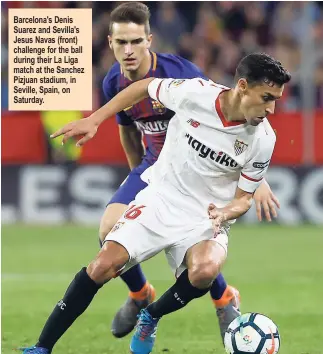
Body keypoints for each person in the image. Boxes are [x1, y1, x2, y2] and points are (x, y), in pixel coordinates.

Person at [20, 52, 290, 354]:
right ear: (242, 86)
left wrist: (226, 212)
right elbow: (144, 87)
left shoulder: (264, 139)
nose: (271, 108)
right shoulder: (195, 93)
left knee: (205, 271)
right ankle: (42, 348)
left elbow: (243, 200)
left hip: (206, 217)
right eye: (267, 97)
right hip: (161, 197)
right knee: (102, 266)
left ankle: (151, 315)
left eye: (276, 99)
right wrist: (95, 119)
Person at [95, 1, 279, 340]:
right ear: (111, 43)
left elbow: (228, 119)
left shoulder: (181, 72)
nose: (129, 50)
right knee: (109, 229)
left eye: (136, 41)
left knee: (197, 238)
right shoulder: (112, 83)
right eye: (122, 43)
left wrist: (258, 179)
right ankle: (140, 294)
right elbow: (126, 128)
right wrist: (137, 174)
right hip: (154, 165)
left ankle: (222, 298)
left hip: (197, 168)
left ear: (150, 40)